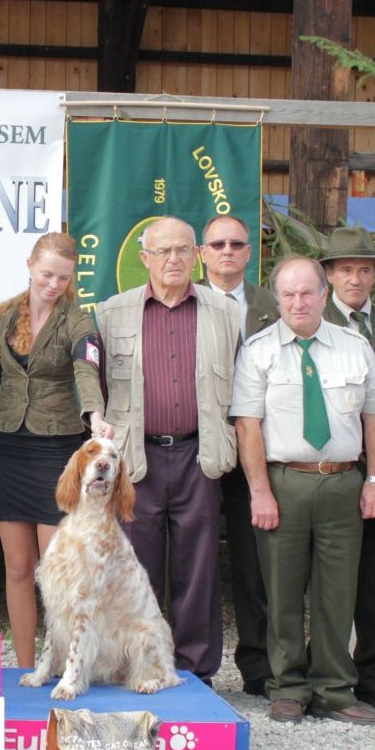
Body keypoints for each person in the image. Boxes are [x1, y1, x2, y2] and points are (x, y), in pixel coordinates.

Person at [230, 255, 375, 725]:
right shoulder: (258, 350)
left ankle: (334, 689)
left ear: (324, 295)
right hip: (285, 483)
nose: (297, 302)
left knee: (338, 593)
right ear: (277, 298)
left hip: (343, 483)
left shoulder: (354, 347)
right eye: (288, 294)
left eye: (306, 293)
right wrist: (259, 491)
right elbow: (247, 426)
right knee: (281, 591)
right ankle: (287, 688)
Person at [95, 216, 240, 682]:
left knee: (198, 568)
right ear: (145, 259)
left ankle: (197, 670)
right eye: (163, 251)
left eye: (182, 250)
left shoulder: (225, 313)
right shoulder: (111, 313)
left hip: (200, 456)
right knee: (135, 568)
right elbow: (96, 386)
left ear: (197, 255)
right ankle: (139, 663)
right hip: (138, 460)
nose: (173, 259)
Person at [0, 232, 106, 670]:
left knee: (55, 572)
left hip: (55, 451)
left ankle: (62, 666)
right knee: (17, 568)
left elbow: (86, 371)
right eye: (47, 274)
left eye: (63, 277)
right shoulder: (2, 318)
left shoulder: (78, 321)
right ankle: (26, 669)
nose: (53, 284)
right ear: (30, 265)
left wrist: (95, 414)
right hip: (6, 447)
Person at [320, 227, 375, 714]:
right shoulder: (311, 319)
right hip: (328, 468)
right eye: (346, 269)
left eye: (365, 270)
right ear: (330, 276)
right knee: (326, 581)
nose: (356, 279)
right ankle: (324, 674)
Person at [199, 213, 280, 697]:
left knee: (256, 562)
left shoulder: (275, 304)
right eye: (217, 244)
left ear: (249, 253)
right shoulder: (183, 300)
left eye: (236, 244)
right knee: (194, 560)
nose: (227, 251)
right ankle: (194, 665)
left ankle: (260, 666)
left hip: (259, 445)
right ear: (202, 253)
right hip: (199, 447)